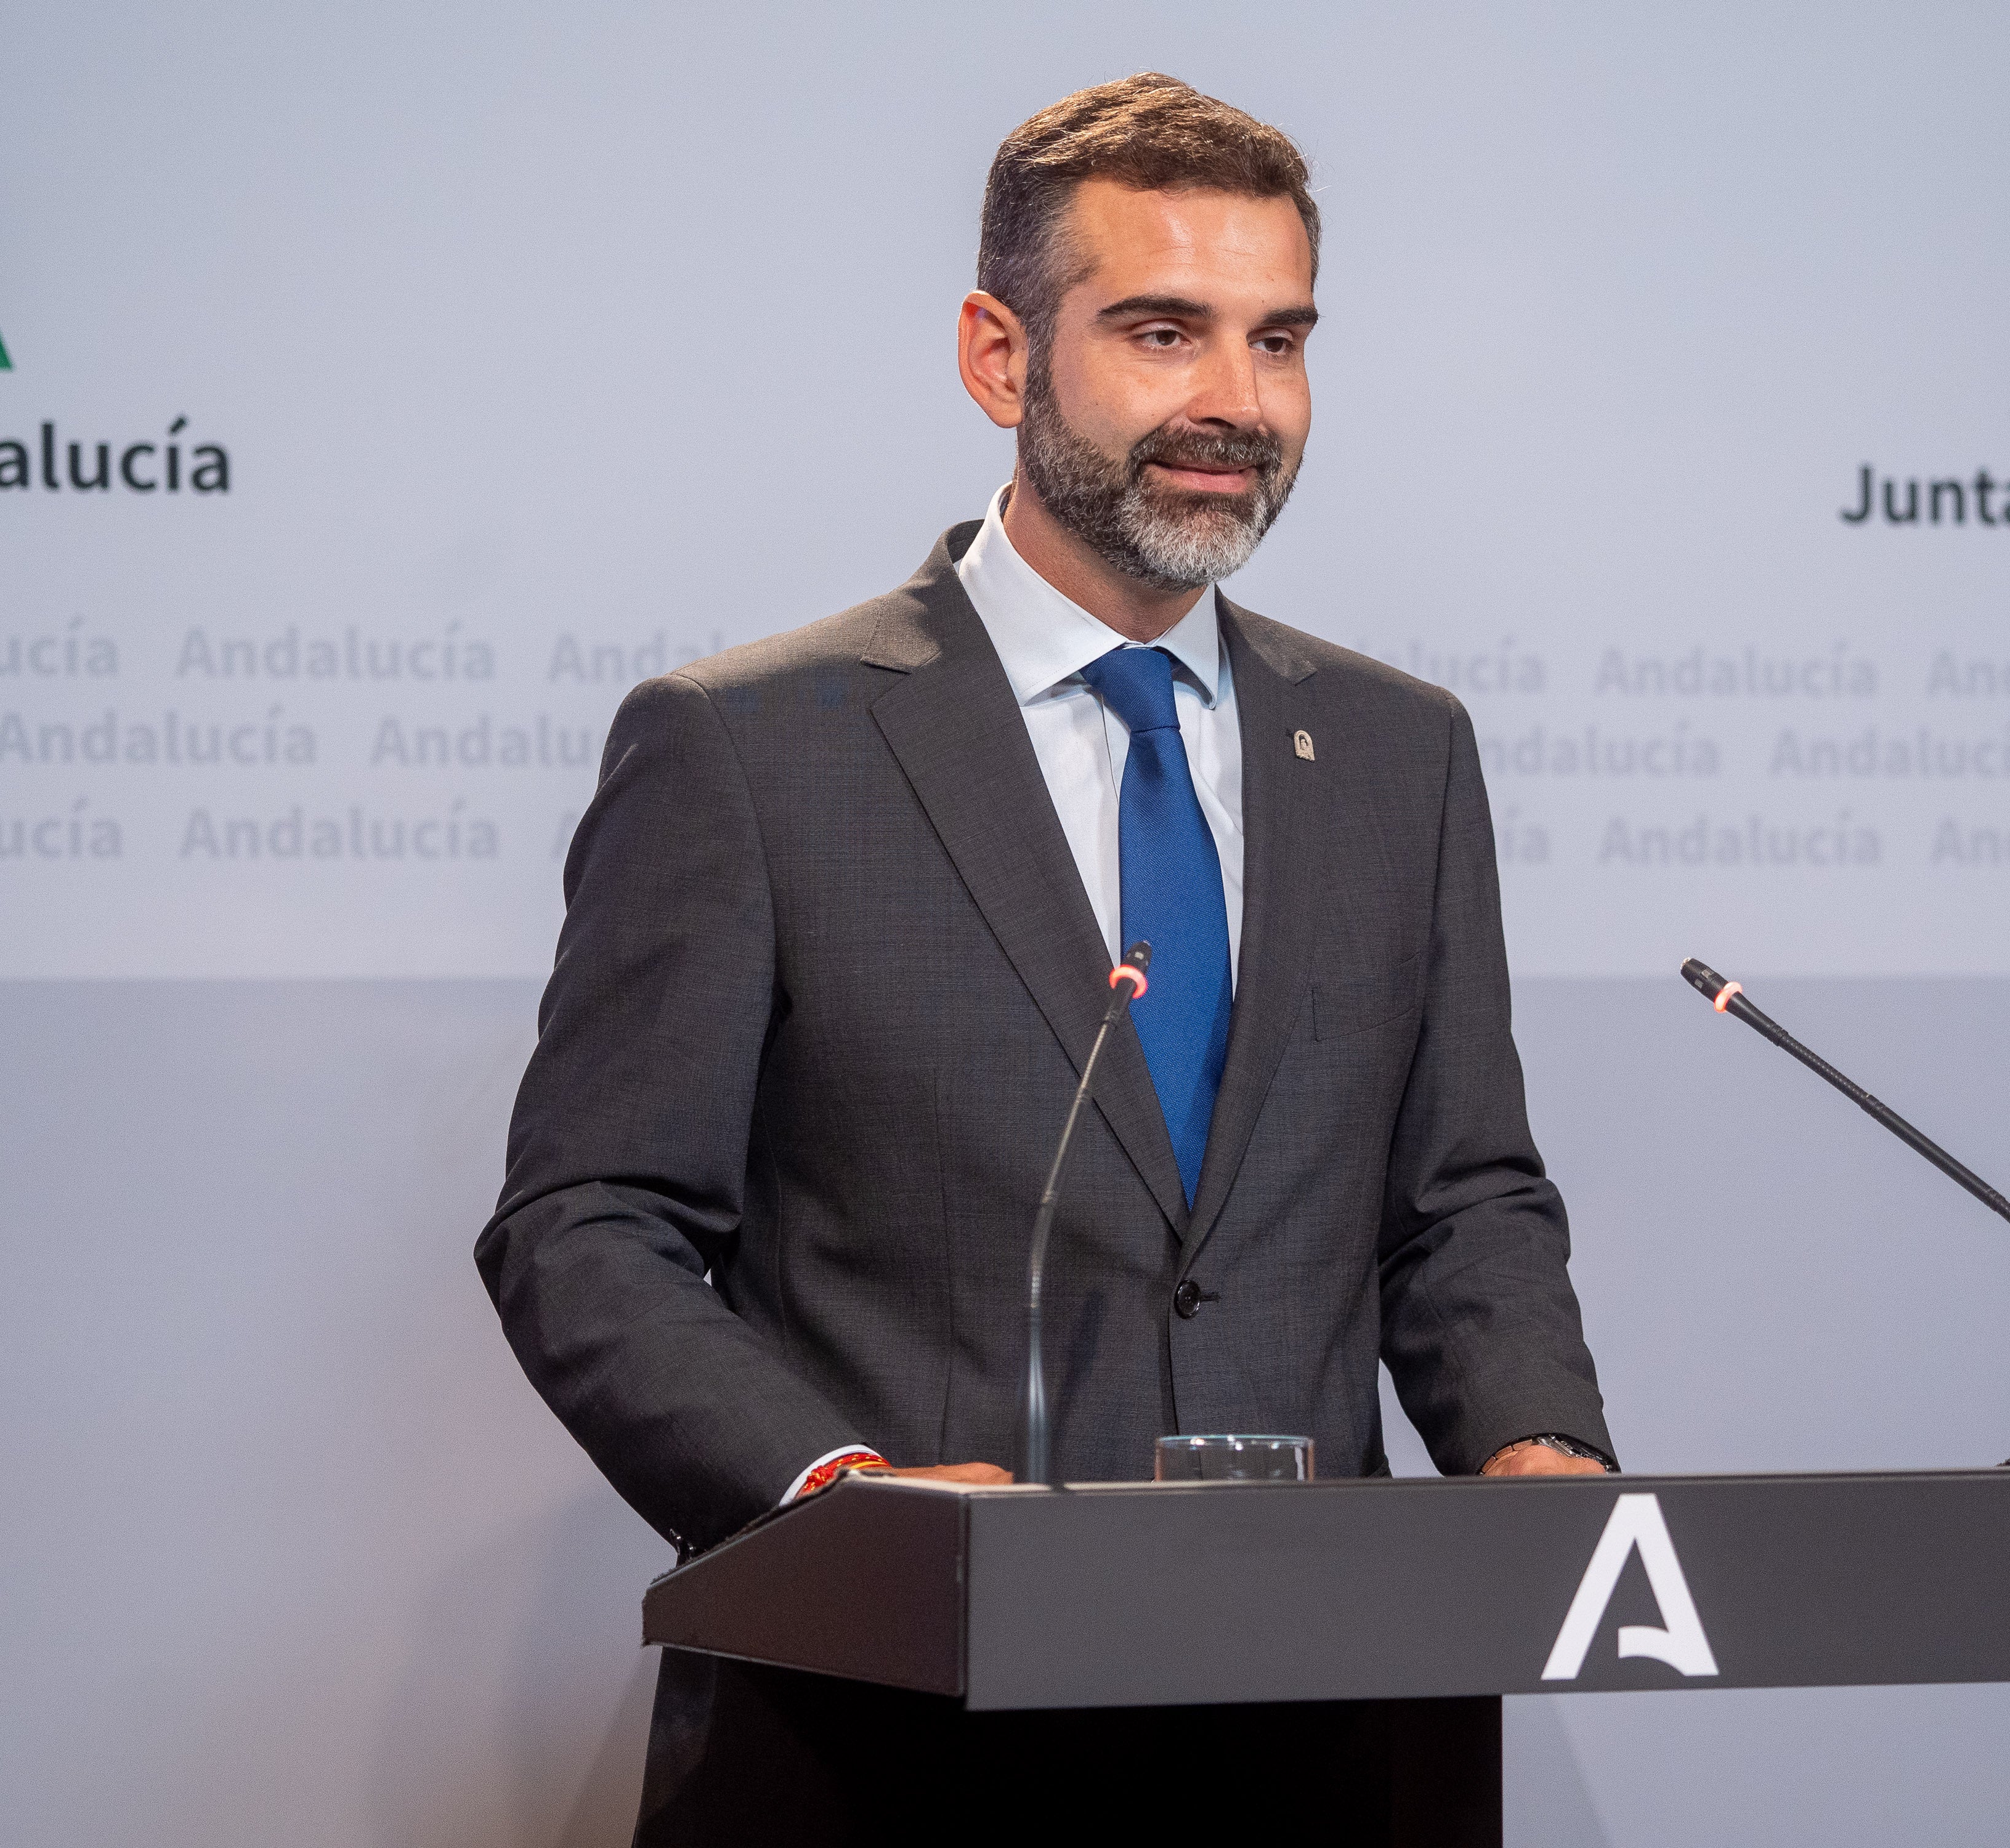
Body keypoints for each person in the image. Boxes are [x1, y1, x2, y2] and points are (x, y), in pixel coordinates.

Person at [476, 72, 1613, 1841]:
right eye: (1162, 332)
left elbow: (1457, 1198)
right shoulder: (750, 747)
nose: (1236, 403)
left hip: (1333, 1731)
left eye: (1279, 339)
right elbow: (587, 1225)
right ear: (998, 358)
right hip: (892, 1729)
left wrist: (1539, 1459)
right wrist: (837, 1497)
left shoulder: (1402, 751)